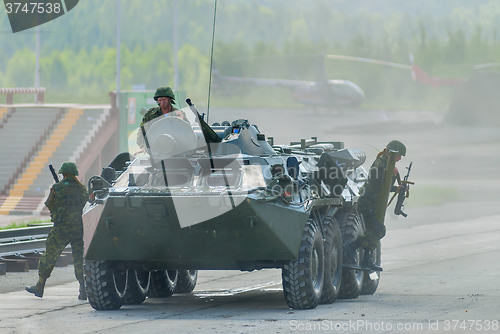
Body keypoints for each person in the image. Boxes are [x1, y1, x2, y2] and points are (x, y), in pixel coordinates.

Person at [26, 162, 89, 299]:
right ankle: (83, 290)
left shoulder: (58, 187)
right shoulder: (82, 189)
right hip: (78, 228)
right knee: (78, 259)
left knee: (50, 256)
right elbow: (83, 203)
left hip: (61, 229)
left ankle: (40, 286)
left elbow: (49, 204)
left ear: (64, 173)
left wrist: (53, 194)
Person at [344, 140, 406, 272]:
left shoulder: (386, 163)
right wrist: (393, 176)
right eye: (399, 155)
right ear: (391, 153)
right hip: (368, 203)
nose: (400, 158)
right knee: (378, 230)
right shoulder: (381, 164)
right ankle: (350, 247)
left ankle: (367, 260)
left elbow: (383, 187)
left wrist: (397, 188)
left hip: (373, 202)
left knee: (373, 231)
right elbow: (378, 183)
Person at [135, 86, 189, 154]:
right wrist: (143, 146)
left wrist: (181, 121)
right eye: (160, 100)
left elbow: (188, 133)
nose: (162, 103)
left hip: (175, 151)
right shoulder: (151, 114)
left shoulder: (178, 114)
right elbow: (142, 131)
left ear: (170, 99)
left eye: (164, 100)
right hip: (155, 151)